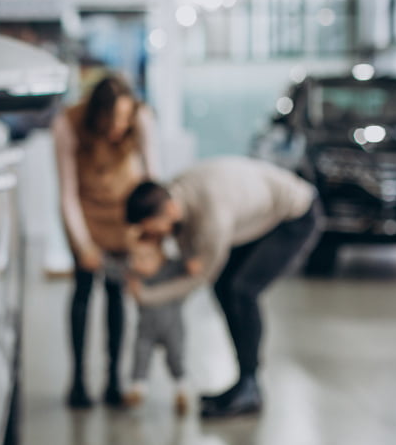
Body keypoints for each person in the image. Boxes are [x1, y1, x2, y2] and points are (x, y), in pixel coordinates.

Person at [124, 156, 321, 418]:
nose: (155, 237)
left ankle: (250, 388)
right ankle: (244, 382)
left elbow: (199, 277)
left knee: (242, 290)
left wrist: (147, 296)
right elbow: (187, 246)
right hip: (256, 215)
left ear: (168, 211)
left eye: (153, 230)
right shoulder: (171, 193)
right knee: (224, 287)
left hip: (296, 213)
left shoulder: (212, 216)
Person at [53, 74, 160, 409]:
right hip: (84, 211)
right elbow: (67, 193)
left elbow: (151, 180)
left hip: (122, 213)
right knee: (83, 291)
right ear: (96, 113)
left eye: (124, 118)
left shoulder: (141, 118)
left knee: (116, 293)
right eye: (112, 118)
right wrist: (83, 244)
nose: (119, 125)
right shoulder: (67, 124)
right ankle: (78, 381)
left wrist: (149, 235)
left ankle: (114, 378)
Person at [124, 230, 190, 415]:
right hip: (146, 329)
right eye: (135, 257)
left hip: (172, 327)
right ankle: (138, 387)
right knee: (140, 355)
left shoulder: (171, 269)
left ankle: (182, 389)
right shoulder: (134, 275)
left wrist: (194, 264)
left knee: (175, 358)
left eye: (146, 257)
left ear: (161, 255)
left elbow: (189, 265)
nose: (140, 262)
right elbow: (114, 269)